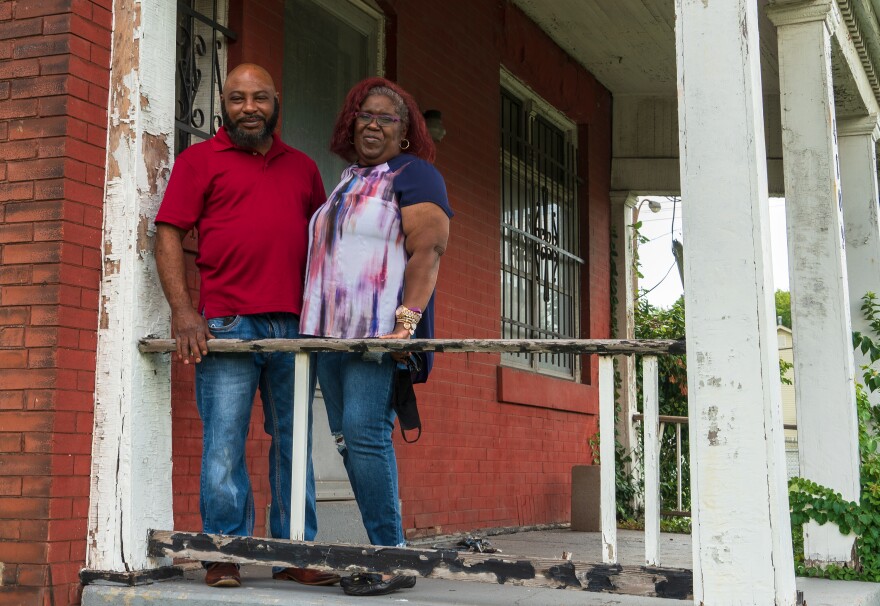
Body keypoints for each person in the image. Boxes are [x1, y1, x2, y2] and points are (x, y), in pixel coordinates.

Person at [153, 63, 340, 589]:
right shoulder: (199, 161)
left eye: (259, 97)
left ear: (276, 101)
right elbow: (168, 234)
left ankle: (294, 550)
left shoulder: (303, 168)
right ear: (224, 105)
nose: (249, 108)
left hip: (294, 326)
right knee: (223, 442)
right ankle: (224, 552)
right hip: (227, 323)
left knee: (293, 440)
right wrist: (183, 310)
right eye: (237, 99)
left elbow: (324, 247)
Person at [300, 77, 453, 597]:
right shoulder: (346, 180)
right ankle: (383, 550)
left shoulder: (417, 175)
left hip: (374, 338)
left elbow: (427, 253)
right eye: (365, 114)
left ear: (406, 131)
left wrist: (402, 328)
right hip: (328, 337)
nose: (373, 123)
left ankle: (392, 556)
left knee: (364, 437)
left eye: (388, 118)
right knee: (346, 440)